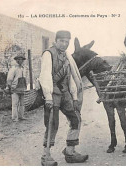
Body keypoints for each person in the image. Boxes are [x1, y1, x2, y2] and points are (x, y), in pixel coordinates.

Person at [39, 30, 88, 164]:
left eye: (67, 42)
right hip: (53, 93)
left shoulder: (67, 57)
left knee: (75, 118)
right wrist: (48, 96)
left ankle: (70, 152)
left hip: (65, 93)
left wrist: (74, 97)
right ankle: (46, 156)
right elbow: (45, 76)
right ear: (56, 41)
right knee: (52, 123)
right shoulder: (48, 54)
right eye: (62, 41)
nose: (65, 44)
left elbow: (70, 77)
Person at [6, 53, 27, 122]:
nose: (20, 61)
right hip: (15, 88)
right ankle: (14, 118)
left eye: (21, 59)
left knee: (22, 103)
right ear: (16, 60)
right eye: (18, 59)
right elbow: (9, 79)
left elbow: (25, 79)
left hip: (22, 88)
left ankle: (21, 116)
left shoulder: (24, 69)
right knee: (15, 104)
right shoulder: (13, 69)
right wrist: (10, 87)